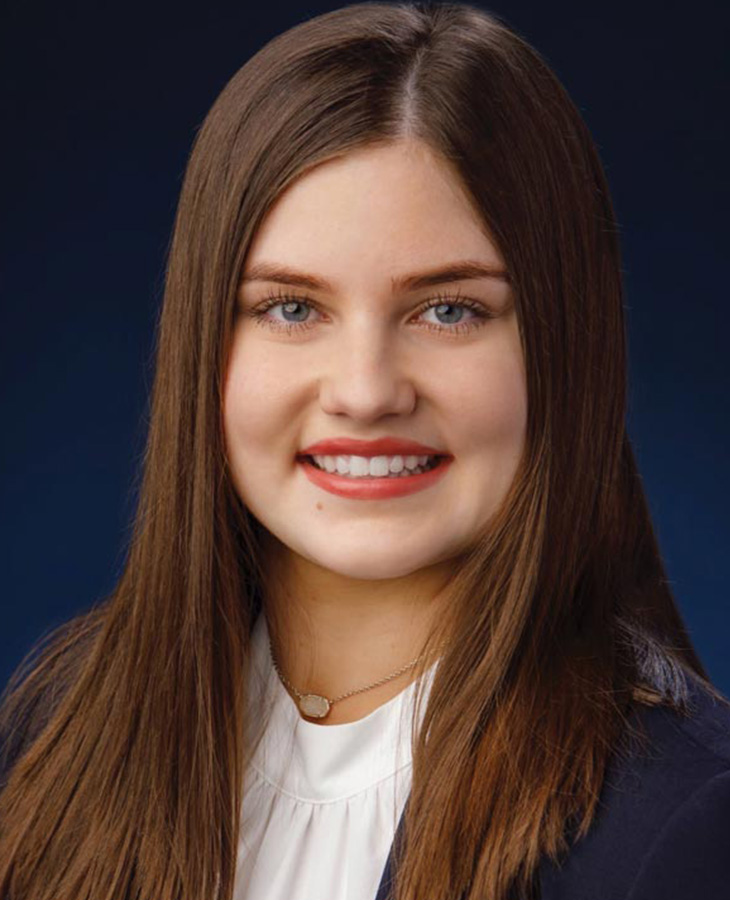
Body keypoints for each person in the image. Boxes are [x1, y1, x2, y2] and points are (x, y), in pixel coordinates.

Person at [1, 2, 729, 899]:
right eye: (291, 308)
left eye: (449, 309)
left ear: (566, 345)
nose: (365, 390)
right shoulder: (53, 735)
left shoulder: (685, 828)